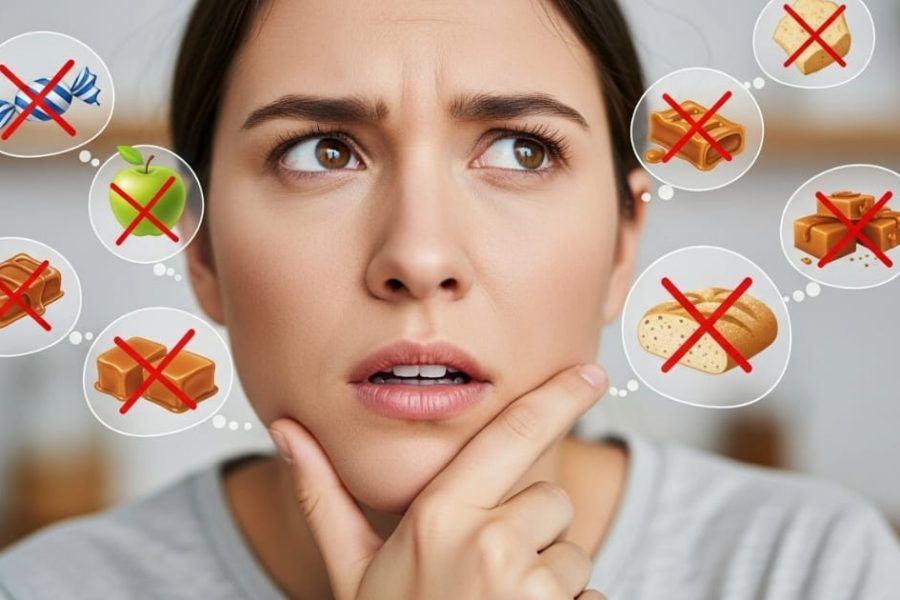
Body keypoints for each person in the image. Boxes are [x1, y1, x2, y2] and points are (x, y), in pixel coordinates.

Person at [2, 0, 899, 598]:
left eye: (519, 150)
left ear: (626, 241)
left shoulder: (809, 568)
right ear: (200, 253)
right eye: (320, 151)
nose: (420, 257)